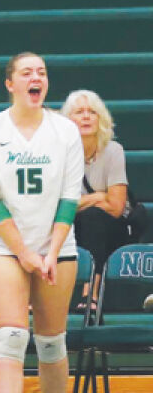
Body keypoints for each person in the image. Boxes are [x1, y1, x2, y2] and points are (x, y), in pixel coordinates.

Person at [0, 52, 81, 393]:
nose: (36, 78)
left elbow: (70, 199)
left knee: (52, 342)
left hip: (56, 247)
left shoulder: (65, 131)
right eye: (26, 73)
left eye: (42, 73)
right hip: (5, 246)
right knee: (12, 336)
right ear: (10, 84)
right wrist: (23, 253)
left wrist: (50, 252)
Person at [63, 90, 132, 312]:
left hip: (113, 228)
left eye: (92, 112)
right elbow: (56, 206)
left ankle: (90, 293)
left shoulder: (113, 151)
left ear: (100, 118)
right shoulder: (60, 154)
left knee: (93, 218)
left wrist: (79, 203)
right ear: (68, 121)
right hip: (72, 226)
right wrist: (99, 196)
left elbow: (116, 207)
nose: (86, 116)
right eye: (79, 112)